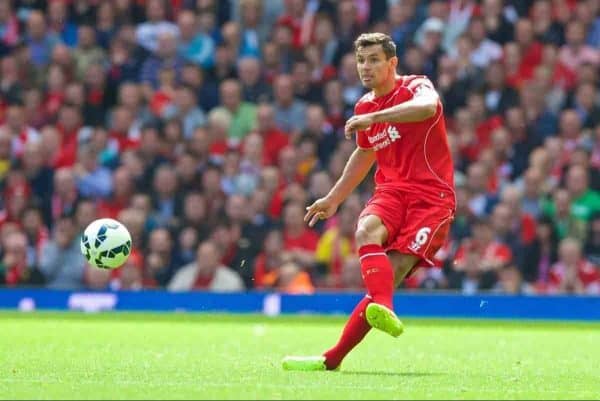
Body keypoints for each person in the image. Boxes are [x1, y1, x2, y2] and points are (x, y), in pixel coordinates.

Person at [282, 33, 455, 371]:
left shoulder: (417, 87)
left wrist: (377, 118)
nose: (366, 67)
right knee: (365, 231)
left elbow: (429, 107)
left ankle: (333, 358)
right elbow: (365, 152)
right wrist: (333, 198)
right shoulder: (364, 106)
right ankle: (383, 307)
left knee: (394, 271)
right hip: (391, 191)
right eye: (361, 61)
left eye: (374, 60)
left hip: (431, 197)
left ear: (392, 63)